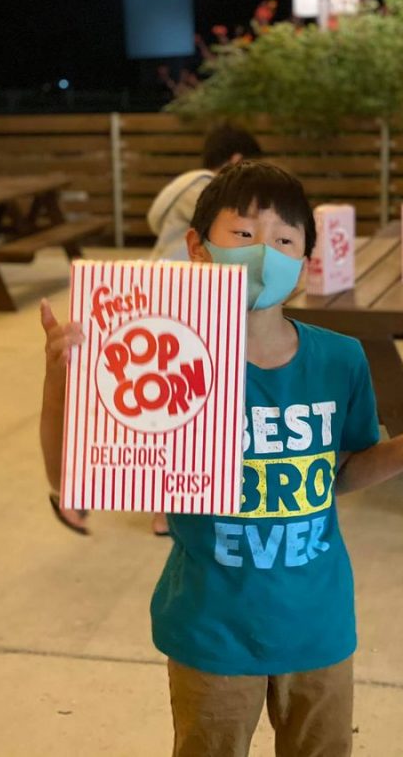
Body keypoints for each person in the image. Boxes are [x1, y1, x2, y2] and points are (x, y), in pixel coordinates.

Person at [40, 161, 403, 756]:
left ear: (304, 264)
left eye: (284, 240)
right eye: (243, 235)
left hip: (318, 624)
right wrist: (62, 380)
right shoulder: (163, 367)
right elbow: (71, 473)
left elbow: (340, 470)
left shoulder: (340, 360)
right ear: (197, 246)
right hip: (210, 630)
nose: (264, 253)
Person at [147, 123, 261, 535]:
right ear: (235, 161)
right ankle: (165, 508)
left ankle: (172, 503)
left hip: (175, 294)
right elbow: (241, 222)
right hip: (184, 296)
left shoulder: (188, 188)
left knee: (178, 399)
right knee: (183, 402)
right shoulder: (205, 187)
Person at [147, 122, 262, 262]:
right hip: (178, 275)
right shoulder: (203, 186)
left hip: (172, 269)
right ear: (237, 160)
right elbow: (232, 224)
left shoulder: (192, 184)